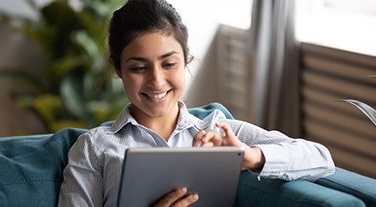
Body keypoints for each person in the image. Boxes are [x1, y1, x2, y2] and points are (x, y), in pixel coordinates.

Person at [58, 0, 335, 206]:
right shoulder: (94, 148)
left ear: (186, 61)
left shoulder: (218, 130)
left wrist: (247, 156)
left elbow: (321, 158)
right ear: (117, 68)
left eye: (169, 64)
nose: (157, 81)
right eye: (138, 68)